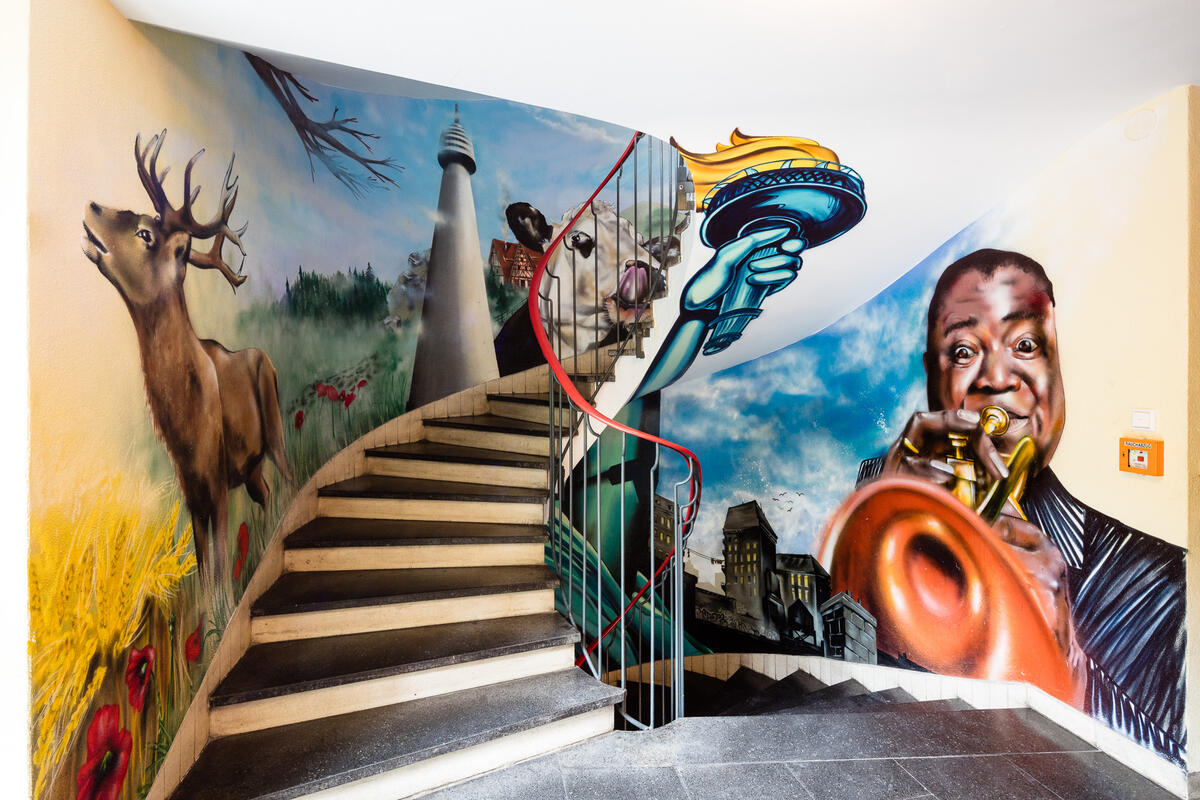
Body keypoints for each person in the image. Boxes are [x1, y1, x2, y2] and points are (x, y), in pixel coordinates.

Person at [857, 248, 1185, 763]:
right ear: (931, 374)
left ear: (1057, 368)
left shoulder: (1170, 586)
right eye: (963, 351)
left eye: (1026, 345)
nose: (997, 379)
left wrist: (1067, 665)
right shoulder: (877, 483)